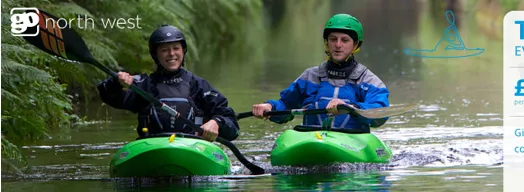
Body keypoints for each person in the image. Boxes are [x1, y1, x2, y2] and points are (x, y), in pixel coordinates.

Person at [97, 24, 240, 142]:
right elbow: (108, 95)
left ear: (183, 51)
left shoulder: (198, 86)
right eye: (164, 50)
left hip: (193, 148)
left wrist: (217, 122)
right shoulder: (144, 85)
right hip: (152, 147)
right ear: (155, 55)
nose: (171, 54)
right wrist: (116, 83)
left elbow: (232, 127)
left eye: (176, 48)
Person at [251, 13, 390, 133]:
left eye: (344, 40)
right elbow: (286, 105)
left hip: (352, 141)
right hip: (312, 139)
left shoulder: (368, 81)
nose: (338, 45)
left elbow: (380, 113)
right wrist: (270, 107)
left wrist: (352, 107)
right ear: (326, 42)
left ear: (355, 45)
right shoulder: (310, 77)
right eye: (333, 39)